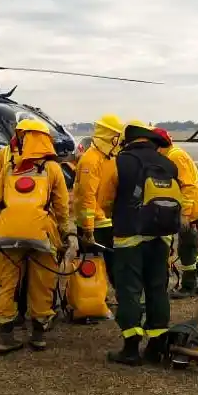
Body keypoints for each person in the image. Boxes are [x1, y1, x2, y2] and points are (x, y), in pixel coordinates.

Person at [99, 120, 181, 367]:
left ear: (128, 141)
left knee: (129, 290)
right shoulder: (169, 164)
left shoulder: (120, 162)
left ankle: (131, 348)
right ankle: (156, 346)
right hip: (161, 237)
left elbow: (104, 200)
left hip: (129, 237)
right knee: (157, 288)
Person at [0, 120, 71, 354]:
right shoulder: (53, 169)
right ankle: (38, 335)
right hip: (41, 235)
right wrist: (63, 233)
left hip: (7, 235)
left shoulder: (8, 168)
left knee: (7, 284)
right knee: (42, 284)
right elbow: (62, 206)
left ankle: (5, 336)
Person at [152, 127, 198, 299]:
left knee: (186, 248)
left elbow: (188, 187)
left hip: (193, 207)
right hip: (195, 204)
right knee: (190, 246)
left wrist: (185, 214)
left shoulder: (174, 157)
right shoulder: (171, 154)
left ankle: (189, 286)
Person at [72, 114, 124, 294]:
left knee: (113, 264)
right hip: (94, 224)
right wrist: (88, 229)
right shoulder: (90, 160)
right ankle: (92, 300)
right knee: (93, 266)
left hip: (107, 221)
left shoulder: (109, 158)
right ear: (112, 137)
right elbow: (87, 196)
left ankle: (117, 296)